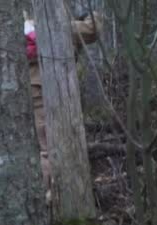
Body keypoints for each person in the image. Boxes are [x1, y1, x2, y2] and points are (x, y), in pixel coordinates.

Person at [25, 11, 101, 184]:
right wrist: (91, 13)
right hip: (58, 92)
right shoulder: (58, 26)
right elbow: (93, 29)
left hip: (33, 92)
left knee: (44, 148)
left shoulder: (18, 31)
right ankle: (53, 197)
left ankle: (51, 195)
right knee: (52, 148)